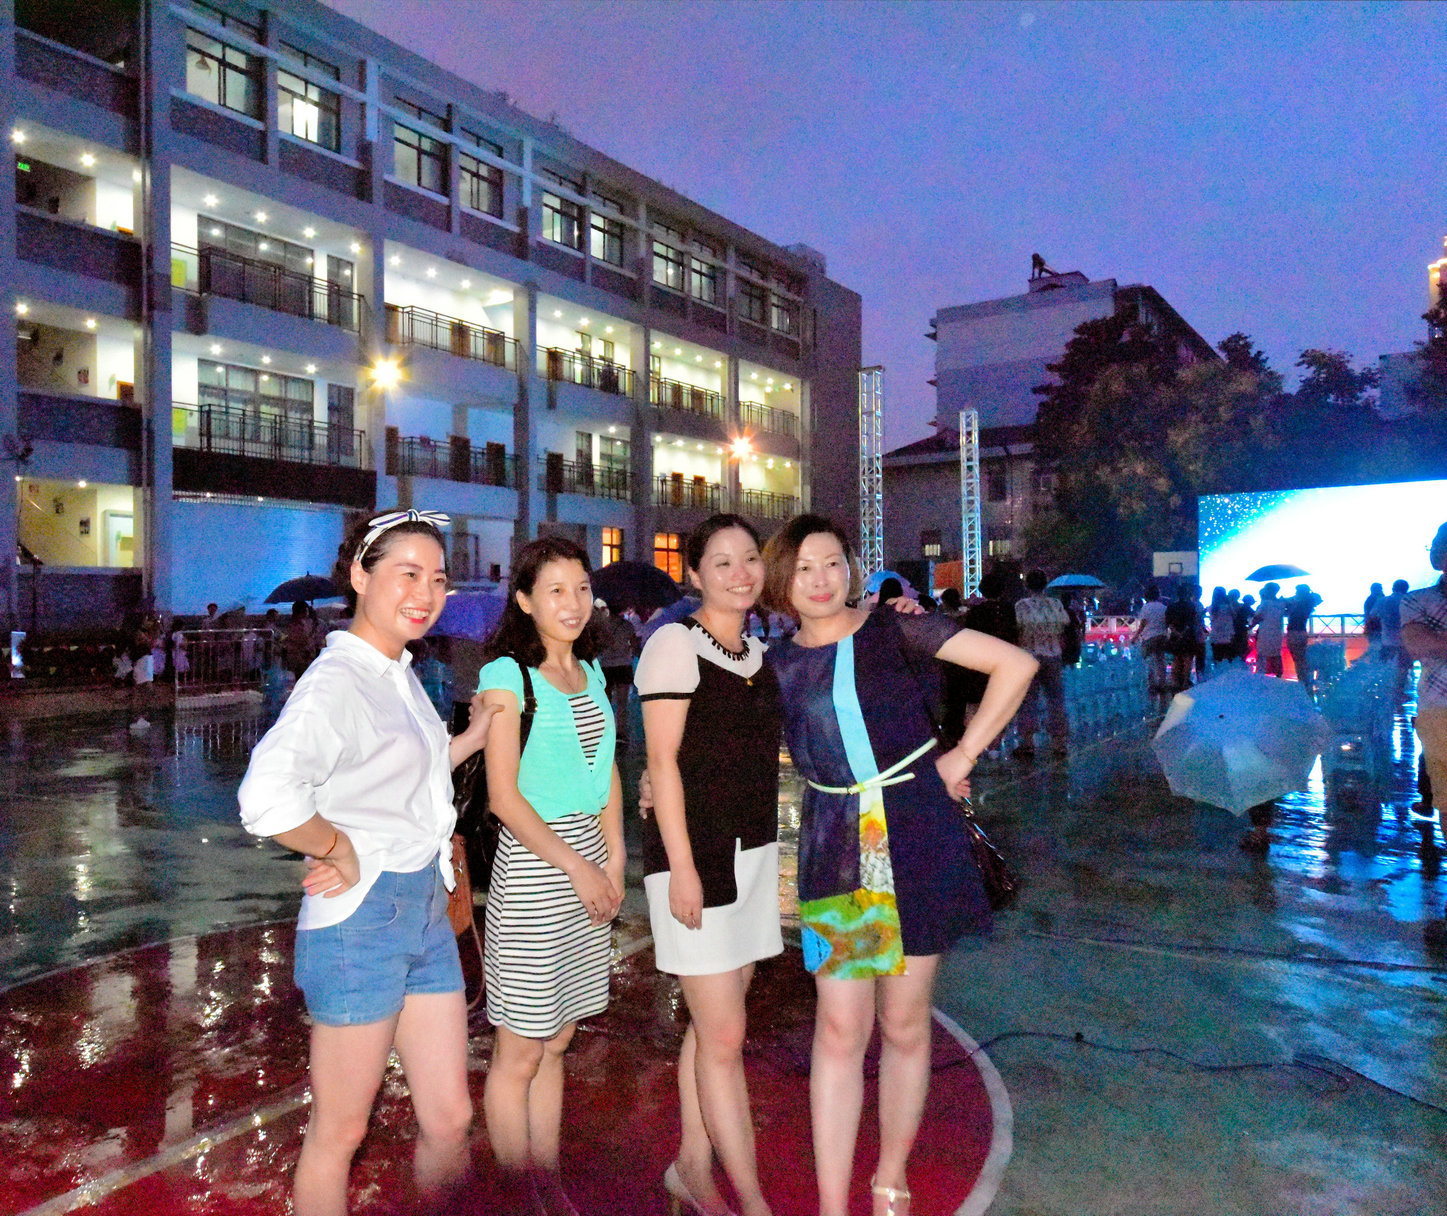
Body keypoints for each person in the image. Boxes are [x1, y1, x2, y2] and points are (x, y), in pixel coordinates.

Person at [761, 515, 1037, 1216]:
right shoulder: (776, 663)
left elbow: (1016, 665)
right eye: (803, 568)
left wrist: (962, 754)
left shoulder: (894, 628)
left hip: (915, 828)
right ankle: (831, 1202)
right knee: (838, 1029)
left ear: (851, 567)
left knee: (906, 1024)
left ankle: (889, 1176)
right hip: (836, 844)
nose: (820, 580)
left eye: (832, 562)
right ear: (782, 581)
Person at [237, 508, 498, 1216]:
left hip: (423, 913)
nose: (426, 593)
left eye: (437, 579)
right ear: (360, 575)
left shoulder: (395, 670)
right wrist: (337, 846)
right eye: (407, 574)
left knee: (450, 1118)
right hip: (362, 923)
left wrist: (470, 739)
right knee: (340, 1132)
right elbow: (264, 797)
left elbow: (399, 778)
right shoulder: (338, 680)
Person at [637, 515, 782, 1216]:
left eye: (749, 558)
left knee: (712, 1026)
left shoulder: (759, 652)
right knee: (725, 1036)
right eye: (720, 562)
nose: (739, 573)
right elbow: (661, 764)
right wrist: (682, 868)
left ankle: (691, 1166)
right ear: (693, 574)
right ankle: (750, 1201)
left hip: (752, 854)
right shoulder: (673, 644)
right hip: (696, 859)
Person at [477, 536, 624, 1215]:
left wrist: (613, 856)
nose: (573, 602)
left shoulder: (589, 671)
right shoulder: (507, 676)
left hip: (589, 860)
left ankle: (548, 1180)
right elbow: (503, 797)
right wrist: (579, 866)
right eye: (556, 590)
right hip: (538, 869)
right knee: (520, 1051)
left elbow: (607, 770)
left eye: (582, 588)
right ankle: (517, 1196)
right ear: (525, 600)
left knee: (558, 1038)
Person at [1403, 522, 1447, 882]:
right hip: (1438, 710)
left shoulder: (1417, 603)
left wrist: (1437, 638)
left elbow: (1428, 642)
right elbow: (1419, 644)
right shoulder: (1417, 600)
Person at [946, 572, 1018, 747]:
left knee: (976, 702)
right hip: (1003, 662)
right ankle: (995, 743)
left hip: (981, 663)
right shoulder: (1009, 609)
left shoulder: (976, 612)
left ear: (982, 590)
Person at [1013, 569, 1071, 758]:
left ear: (1027, 585)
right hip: (1053, 655)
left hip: (1029, 656)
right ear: (1045, 584)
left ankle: (1028, 743)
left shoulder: (1021, 606)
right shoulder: (1056, 604)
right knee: (1056, 699)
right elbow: (1064, 625)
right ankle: (1059, 743)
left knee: (1028, 700)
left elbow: (1017, 630)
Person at [1284, 583, 1323, 693]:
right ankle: (1305, 682)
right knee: (1301, 658)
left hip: (1294, 632)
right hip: (1302, 632)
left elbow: (1289, 609)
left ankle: (1302, 682)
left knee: (1297, 659)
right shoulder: (1308, 603)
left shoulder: (1298, 604)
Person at [1133, 583, 1169, 694]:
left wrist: (1135, 636)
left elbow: (1143, 624)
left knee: (1147, 660)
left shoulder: (1146, 607)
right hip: (1162, 636)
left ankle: (1151, 683)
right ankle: (1162, 683)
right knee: (1160, 660)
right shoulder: (1163, 607)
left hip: (1149, 637)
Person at [1164, 584, 1199, 691]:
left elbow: (1168, 623)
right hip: (1188, 635)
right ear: (1186, 594)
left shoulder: (1171, 606)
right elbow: (1193, 621)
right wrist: (1184, 632)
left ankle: (1175, 682)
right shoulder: (1191, 606)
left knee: (1176, 658)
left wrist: (1176, 633)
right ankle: (1185, 682)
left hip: (1175, 636)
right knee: (1188, 659)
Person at [1252, 583, 1287, 676]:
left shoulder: (1265, 603)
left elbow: (1256, 617)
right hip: (1277, 632)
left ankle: (1260, 675)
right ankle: (1279, 675)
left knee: (1262, 655)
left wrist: (1249, 627)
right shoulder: (1282, 603)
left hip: (1265, 632)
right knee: (1276, 654)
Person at [1208, 586, 1235, 666]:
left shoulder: (1212, 607)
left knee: (1217, 657)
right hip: (1227, 634)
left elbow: (1212, 619)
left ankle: (1218, 672)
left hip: (1216, 634)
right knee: (1227, 658)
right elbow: (1234, 616)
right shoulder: (1228, 606)